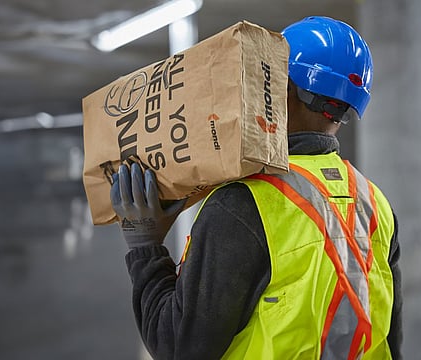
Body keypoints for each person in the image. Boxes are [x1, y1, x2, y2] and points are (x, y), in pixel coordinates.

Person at [110, 16, 402, 360]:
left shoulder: (243, 205)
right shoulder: (376, 204)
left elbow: (180, 348)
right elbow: (390, 345)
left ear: (279, 86)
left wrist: (145, 249)